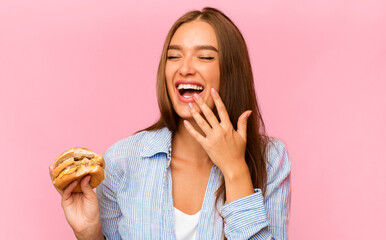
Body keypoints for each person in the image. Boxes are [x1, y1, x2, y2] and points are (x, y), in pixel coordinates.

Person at [49, 7, 291, 240]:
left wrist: (235, 169)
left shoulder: (271, 159)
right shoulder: (123, 161)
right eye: (174, 56)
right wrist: (89, 235)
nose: (184, 68)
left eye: (205, 56)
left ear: (231, 72)